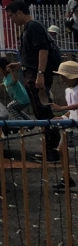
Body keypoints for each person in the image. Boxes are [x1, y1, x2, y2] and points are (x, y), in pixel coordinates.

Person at [6, 0, 63, 157]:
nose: (11, 20)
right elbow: (34, 54)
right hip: (31, 72)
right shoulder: (29, 28)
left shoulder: (33, 27)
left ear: (19, 12)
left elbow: (43, 50)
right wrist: (20, 64)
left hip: (36, 75)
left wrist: (40, 73)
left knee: (43, 111)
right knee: (40, 111)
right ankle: (50, 148)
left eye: (11, 16)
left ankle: (52, 149)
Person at [51, 60, 78, 189]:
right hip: (72, 124)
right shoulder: (68, 90)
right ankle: (66, 177)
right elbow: (73, 109)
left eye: (64, 77)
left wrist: (62, 107)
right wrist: (63, 116)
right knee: (61, 149)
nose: (62, 79)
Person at [0, 56, 32, 120]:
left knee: (10, 107)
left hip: (22, 99)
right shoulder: (6, 78)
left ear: (4, 69)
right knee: (16, 110)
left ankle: (20, 123)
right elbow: (4, 84)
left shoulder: (10, 76)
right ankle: (29, 121)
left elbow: (15, 81)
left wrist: (12, 71)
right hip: (21, 99)